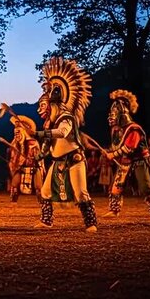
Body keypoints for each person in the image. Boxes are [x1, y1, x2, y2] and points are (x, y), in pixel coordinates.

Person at [31, 57, 97, 232]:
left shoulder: (66, 117)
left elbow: (63, 133)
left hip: (74, 160)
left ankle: (91, 223)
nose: (40, 109)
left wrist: (38, 133)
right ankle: (46, 221)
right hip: (58, 162)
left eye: (43, 105)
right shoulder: (49, 124)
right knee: (45, 192)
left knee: (81, 193)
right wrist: (37, 157)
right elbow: (46, 148)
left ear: (53, 104)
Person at [102, 89, 150, 220]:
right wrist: (110, 153)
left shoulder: (133, 128)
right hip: (126, 161)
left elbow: (129, 148)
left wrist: (113, 154)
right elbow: (117, 147)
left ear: (121, 114)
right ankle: (114, 210)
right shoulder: (118, 131)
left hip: (140, 160)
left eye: (113, 114)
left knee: (145, 186)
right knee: (116, 186)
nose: (110, 117)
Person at [6, 115, 44, 204]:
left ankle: (41, 201)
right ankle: (13, 200)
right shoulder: (15, 144)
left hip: (34, 167)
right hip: (20, 168)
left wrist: (34, 163)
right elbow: (13, 158)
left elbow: (39, 157)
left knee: (39, 187)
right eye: (15, 133)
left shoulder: (33, 143)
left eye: (18, 132)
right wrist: (15, 164)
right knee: (14, 185)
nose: (16, 134)